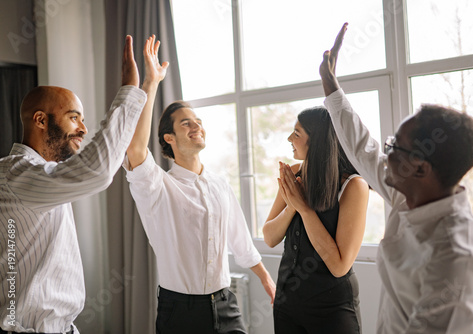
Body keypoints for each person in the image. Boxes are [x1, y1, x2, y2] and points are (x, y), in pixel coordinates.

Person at [320, 23, 473, 333]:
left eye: (394, 147)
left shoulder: (457, 253)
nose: (385, 155)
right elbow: (363, 149)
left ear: (421, 168)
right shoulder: (410, 197)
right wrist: (330, 84)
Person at [0, 35, 156, 333]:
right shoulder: (17, 175)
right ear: (41, 120)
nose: (83, 128)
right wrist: (128, 91)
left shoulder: (43, 174)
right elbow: (96, 171)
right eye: (74, 118)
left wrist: (146, 87)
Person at [123, 37, 276, 334]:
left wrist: (266, 279)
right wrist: (152, 82)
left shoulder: (220, 185)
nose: (197, 127)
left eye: (198, 121)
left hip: (225, 304)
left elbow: (241, 242)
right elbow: (135, 151)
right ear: (169, 138)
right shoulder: (157, 186)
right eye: (185, 124)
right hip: (179, 312)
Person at [262, 106, 369, 333]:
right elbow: (270, 237)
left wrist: (305, 209)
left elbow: (340, 266)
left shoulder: (353, 186)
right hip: (287, 304)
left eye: (297, 133)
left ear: (318, 140)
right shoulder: (293, 174)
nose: (290, 138)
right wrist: (291, 207)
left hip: (333, 309)